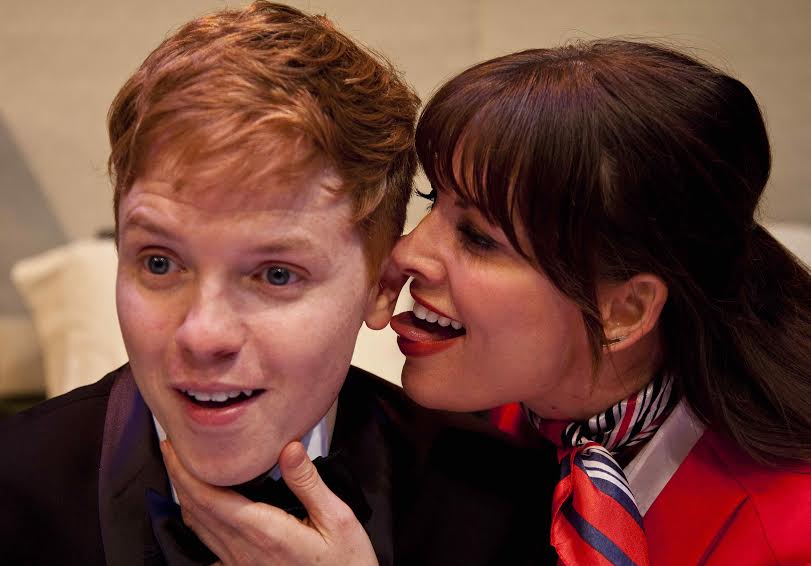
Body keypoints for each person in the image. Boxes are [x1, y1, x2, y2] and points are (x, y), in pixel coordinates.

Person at [166, 39, 811, 565]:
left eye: (477, 236)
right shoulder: (469, 422)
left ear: (622, 312)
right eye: (432, 202)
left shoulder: (790, 532)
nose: (408, 251)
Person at [0, 3, 560, 565]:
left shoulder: (499, 500)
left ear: (381, 288)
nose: (203, 336)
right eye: (160, 263)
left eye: (276, 275)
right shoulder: (13, 483)